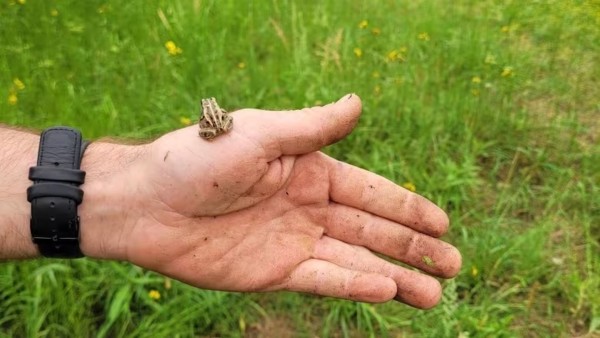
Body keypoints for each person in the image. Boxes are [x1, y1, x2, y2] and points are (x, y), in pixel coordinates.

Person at [0, 94, 461, 309]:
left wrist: (124, 192)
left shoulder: (215, 121)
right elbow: (212, 129)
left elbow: (213, 127)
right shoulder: (214, 125)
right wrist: (135, 191)